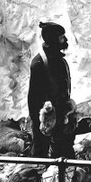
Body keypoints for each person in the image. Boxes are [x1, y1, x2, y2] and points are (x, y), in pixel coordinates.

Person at [27, 21, 75, 160]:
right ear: (53, 39)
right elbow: (33, 97)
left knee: (65, 156)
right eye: (61, 37)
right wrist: (39, 123)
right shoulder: (39, 62)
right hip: (46, 119)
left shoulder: (60, 60)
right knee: (40, 155)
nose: (65, 40)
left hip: (62, 117)